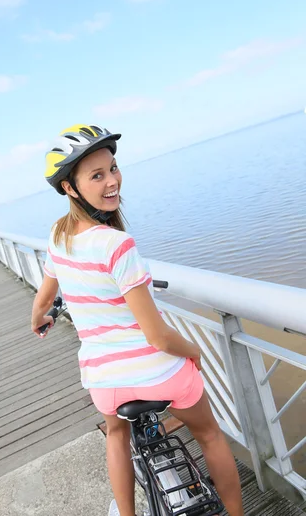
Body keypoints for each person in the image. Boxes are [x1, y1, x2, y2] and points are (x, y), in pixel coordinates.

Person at [31, 124, 244, 516]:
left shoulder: (58, 237)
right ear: (70, 187)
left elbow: (43, 297)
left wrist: (38, 318)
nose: (112, 181)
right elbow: (159, 337)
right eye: (97, 175)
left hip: (106, 383)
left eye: (113, 168)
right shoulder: (118, 244)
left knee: (115, 434)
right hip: (158, 373)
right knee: (210, 435)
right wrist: (194, 350)